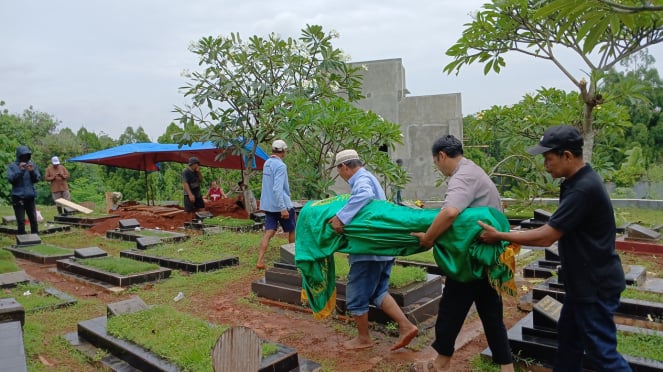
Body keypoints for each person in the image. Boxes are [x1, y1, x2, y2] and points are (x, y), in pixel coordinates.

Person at [478, 125, 630, 371]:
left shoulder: (584, 188)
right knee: (569, 347)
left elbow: (547, 236)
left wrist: (501, 236)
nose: (545, 165)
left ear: (567, 156)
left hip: (595, 288)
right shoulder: (573, 183)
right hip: (581, 284)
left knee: (603, 356)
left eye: (548, 159)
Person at [410, 135, 514, 371]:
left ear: (442, 156)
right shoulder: (472, 170)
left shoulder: (463, 176)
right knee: (491, 315)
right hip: (484, 257)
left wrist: (428, 238)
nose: (438, 167)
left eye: (436, 162)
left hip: (471, 261)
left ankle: (440, 364)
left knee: (450, 312)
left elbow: (450, 213)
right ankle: (506, 367)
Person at [328, 149, 419, 351]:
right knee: (379, 292)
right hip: (383, 249)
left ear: (344, 166)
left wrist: (341, 217)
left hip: (368, 252)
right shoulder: (370, 178)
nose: (340, 175)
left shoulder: (362, 181)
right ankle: (406, 326)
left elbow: (364, 195)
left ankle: (363, 338)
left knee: (357, 294)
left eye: (339, 170)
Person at [256, 140, 295, 269]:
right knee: (292, 230)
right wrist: (283, 208)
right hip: (281, 204)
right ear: (283, 151)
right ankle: (294, 258)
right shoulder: (280, 166)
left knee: (268, 232)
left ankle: (260, 261)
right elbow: (277, 188)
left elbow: (268, 185)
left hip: (268, 205)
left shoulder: (267, 163)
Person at [7, 145, 42, 235]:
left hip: (30, 196)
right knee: (21, 221)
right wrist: (20, 171)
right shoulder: (12, 166)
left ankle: (35, 237)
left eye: (27, 155)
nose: (25, 157)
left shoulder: (32, 165)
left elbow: (37, 179)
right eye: (23, 155)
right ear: (19, 155)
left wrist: (32, 172)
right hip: (18, 197)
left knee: (33, 219)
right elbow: (11, 180)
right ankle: (22, 238)